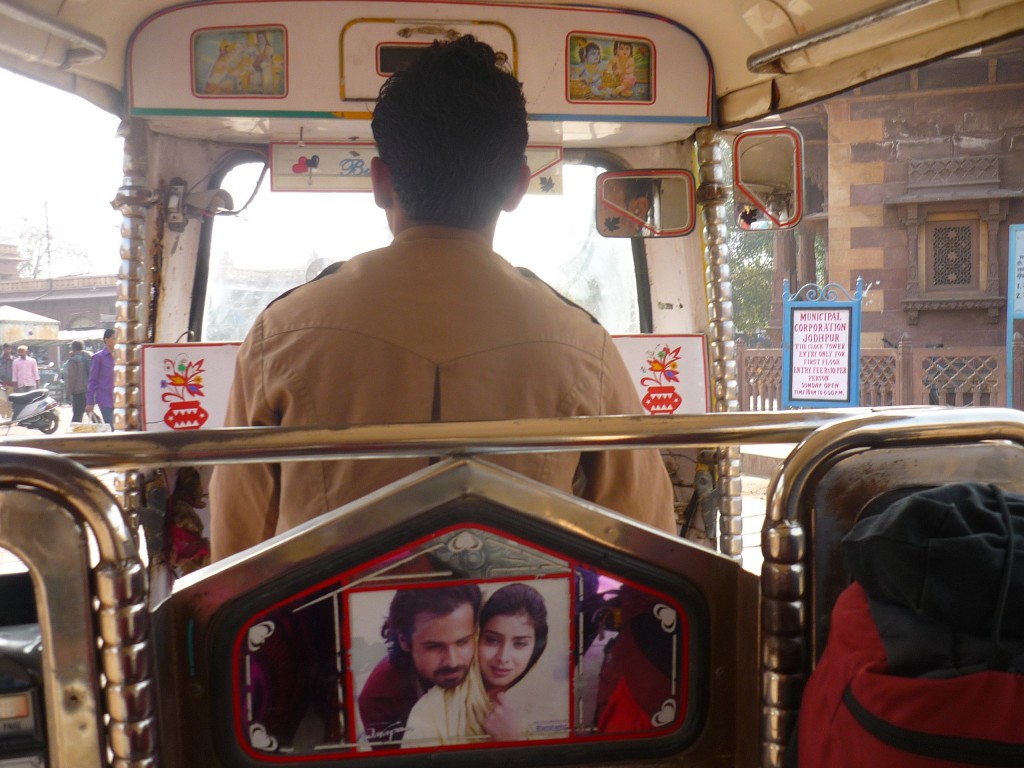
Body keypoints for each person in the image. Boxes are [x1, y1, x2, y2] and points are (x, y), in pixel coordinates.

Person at [208, 35, 674, 560]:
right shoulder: (584, 348)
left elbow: (235, 552)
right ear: (517, 187)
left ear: (381, 182)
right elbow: (645, 545)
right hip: (523, 635)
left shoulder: (280, 334)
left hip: (318, 637)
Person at [402, 583, 549, 747]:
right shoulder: (431, 712)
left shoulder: (551, 704)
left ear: (536, 647)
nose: (503, 657)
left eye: (520, 644)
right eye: (492, 640)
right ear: (476, 637)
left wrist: (517, 741)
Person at [358, 585, 482, 747]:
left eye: (462, 642)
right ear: (404, 641)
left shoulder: (494, 659)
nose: (452, 661)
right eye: (434, 647)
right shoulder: (381, 698)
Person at [86, 328, 115, 428]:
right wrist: (90, 402)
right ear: (106, 340)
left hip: (120, 399)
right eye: (113, 338)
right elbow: (92, 380)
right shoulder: (98, 357)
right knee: (112, 427)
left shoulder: (121, 357)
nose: (116, 341)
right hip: (105, 399)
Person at [63, 340, 92, 423]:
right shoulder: (87, 356)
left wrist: (68, 393)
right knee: (89, 411)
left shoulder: (73, 360)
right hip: (88, 389)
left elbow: (71, 378)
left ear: (73, 348)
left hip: (78, 392)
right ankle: (101, 429)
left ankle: (74, 434)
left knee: (77, 417)